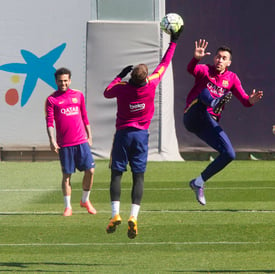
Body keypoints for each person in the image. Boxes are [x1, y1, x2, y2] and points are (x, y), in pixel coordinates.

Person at [103, 26, 183, 239]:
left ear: (131, 77)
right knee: (139, 177)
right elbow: (165, 64)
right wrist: (174, 40)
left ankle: (114, 214)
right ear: (145, 77)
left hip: (122, 135)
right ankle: (134, 216)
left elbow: (106, 92)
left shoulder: (121, 87)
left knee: (116, 174)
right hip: (141, 136)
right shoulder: (151, 84)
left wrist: (119, 75)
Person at [184, 39, 263, 206]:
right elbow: (191, 69)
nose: (219, 60)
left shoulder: (232, 78)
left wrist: (251, 100)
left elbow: (245, 101)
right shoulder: (205, 70)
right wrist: (196, 58)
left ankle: (198, 182)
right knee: (205, 92)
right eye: (218, 57)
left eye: (223, 58)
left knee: (229, 154)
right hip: (192, 114)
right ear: (214, 59)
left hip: (207, 122)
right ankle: (214, 102)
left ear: (229, 62)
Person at [45, 67, 96, 217]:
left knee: (91, 171)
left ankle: (85, 200)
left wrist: (90, 135)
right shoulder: (51, 100)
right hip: (65, 145)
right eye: (60, 81)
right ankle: (68, 207)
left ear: (70, 80)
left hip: (81, 141)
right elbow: (49, 122)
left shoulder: (78, 95)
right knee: (67, 175)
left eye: (66, 81)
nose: (63, 83)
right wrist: (52, 140)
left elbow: (84, 116)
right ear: (56, 81)